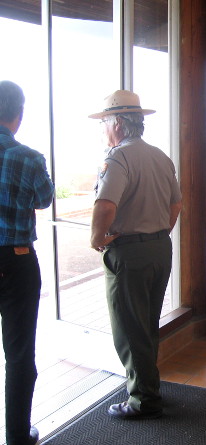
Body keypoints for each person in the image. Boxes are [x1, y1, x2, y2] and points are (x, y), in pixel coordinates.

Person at [89, 90, 182, 419]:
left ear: (117, 124)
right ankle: (150, 387)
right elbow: (176, 204)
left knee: (129, 329)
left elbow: (105, 204)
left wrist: (96, 237)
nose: (103, 130)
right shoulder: (160, 156)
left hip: (129, 255)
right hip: (160, 249)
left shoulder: (118, 158)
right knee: (147, 325)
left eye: (104, 123)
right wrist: (158, 234)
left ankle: (143, 399)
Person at [0, 80, 54, 445]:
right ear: (18, 115)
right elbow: (45, 199)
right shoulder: (29, 157)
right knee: (19, 353)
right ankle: (18, 435)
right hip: (15, 261)